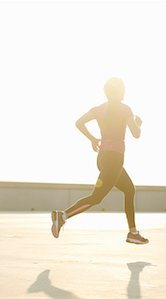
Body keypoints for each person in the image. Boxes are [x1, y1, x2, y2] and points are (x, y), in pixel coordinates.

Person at [51, 77, 149, 244]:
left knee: (129, 190)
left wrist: (92, 139)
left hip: (103, 158)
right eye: (123, 89)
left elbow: (79, 123)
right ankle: (63, 215)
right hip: (114, 160)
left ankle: (132, 232)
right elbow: (136, 134)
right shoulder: (125, 110)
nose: (124, 91)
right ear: (119, 91)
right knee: (96, 198)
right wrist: (138, 123)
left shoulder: (98, 109)